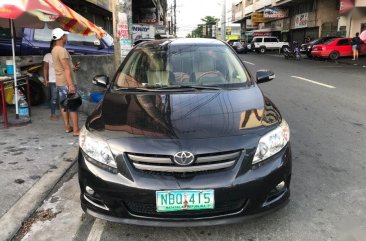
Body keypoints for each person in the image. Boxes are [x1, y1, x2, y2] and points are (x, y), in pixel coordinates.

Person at [51, 28, 81, 136]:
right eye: (65, 35)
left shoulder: (54, 49)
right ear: (62, 37)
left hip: (60, 82)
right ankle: (76, 130)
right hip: (66, 83)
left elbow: (66, 67)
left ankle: (68, 127)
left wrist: (74, 67)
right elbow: (66, 69)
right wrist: (71, 84)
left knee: (64, 105)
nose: (67, 37)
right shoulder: (62, 50)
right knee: (73, 105)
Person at [43, 40, 58, 121]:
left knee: (64, 97)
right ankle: (53, 114)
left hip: (63, 80)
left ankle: (64, 112)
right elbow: (45, 68)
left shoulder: (63, 54)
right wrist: (46, 79)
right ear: (52, 46)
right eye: (55, 45)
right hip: (53, 80)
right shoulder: (48, 56)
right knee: (54, 97)